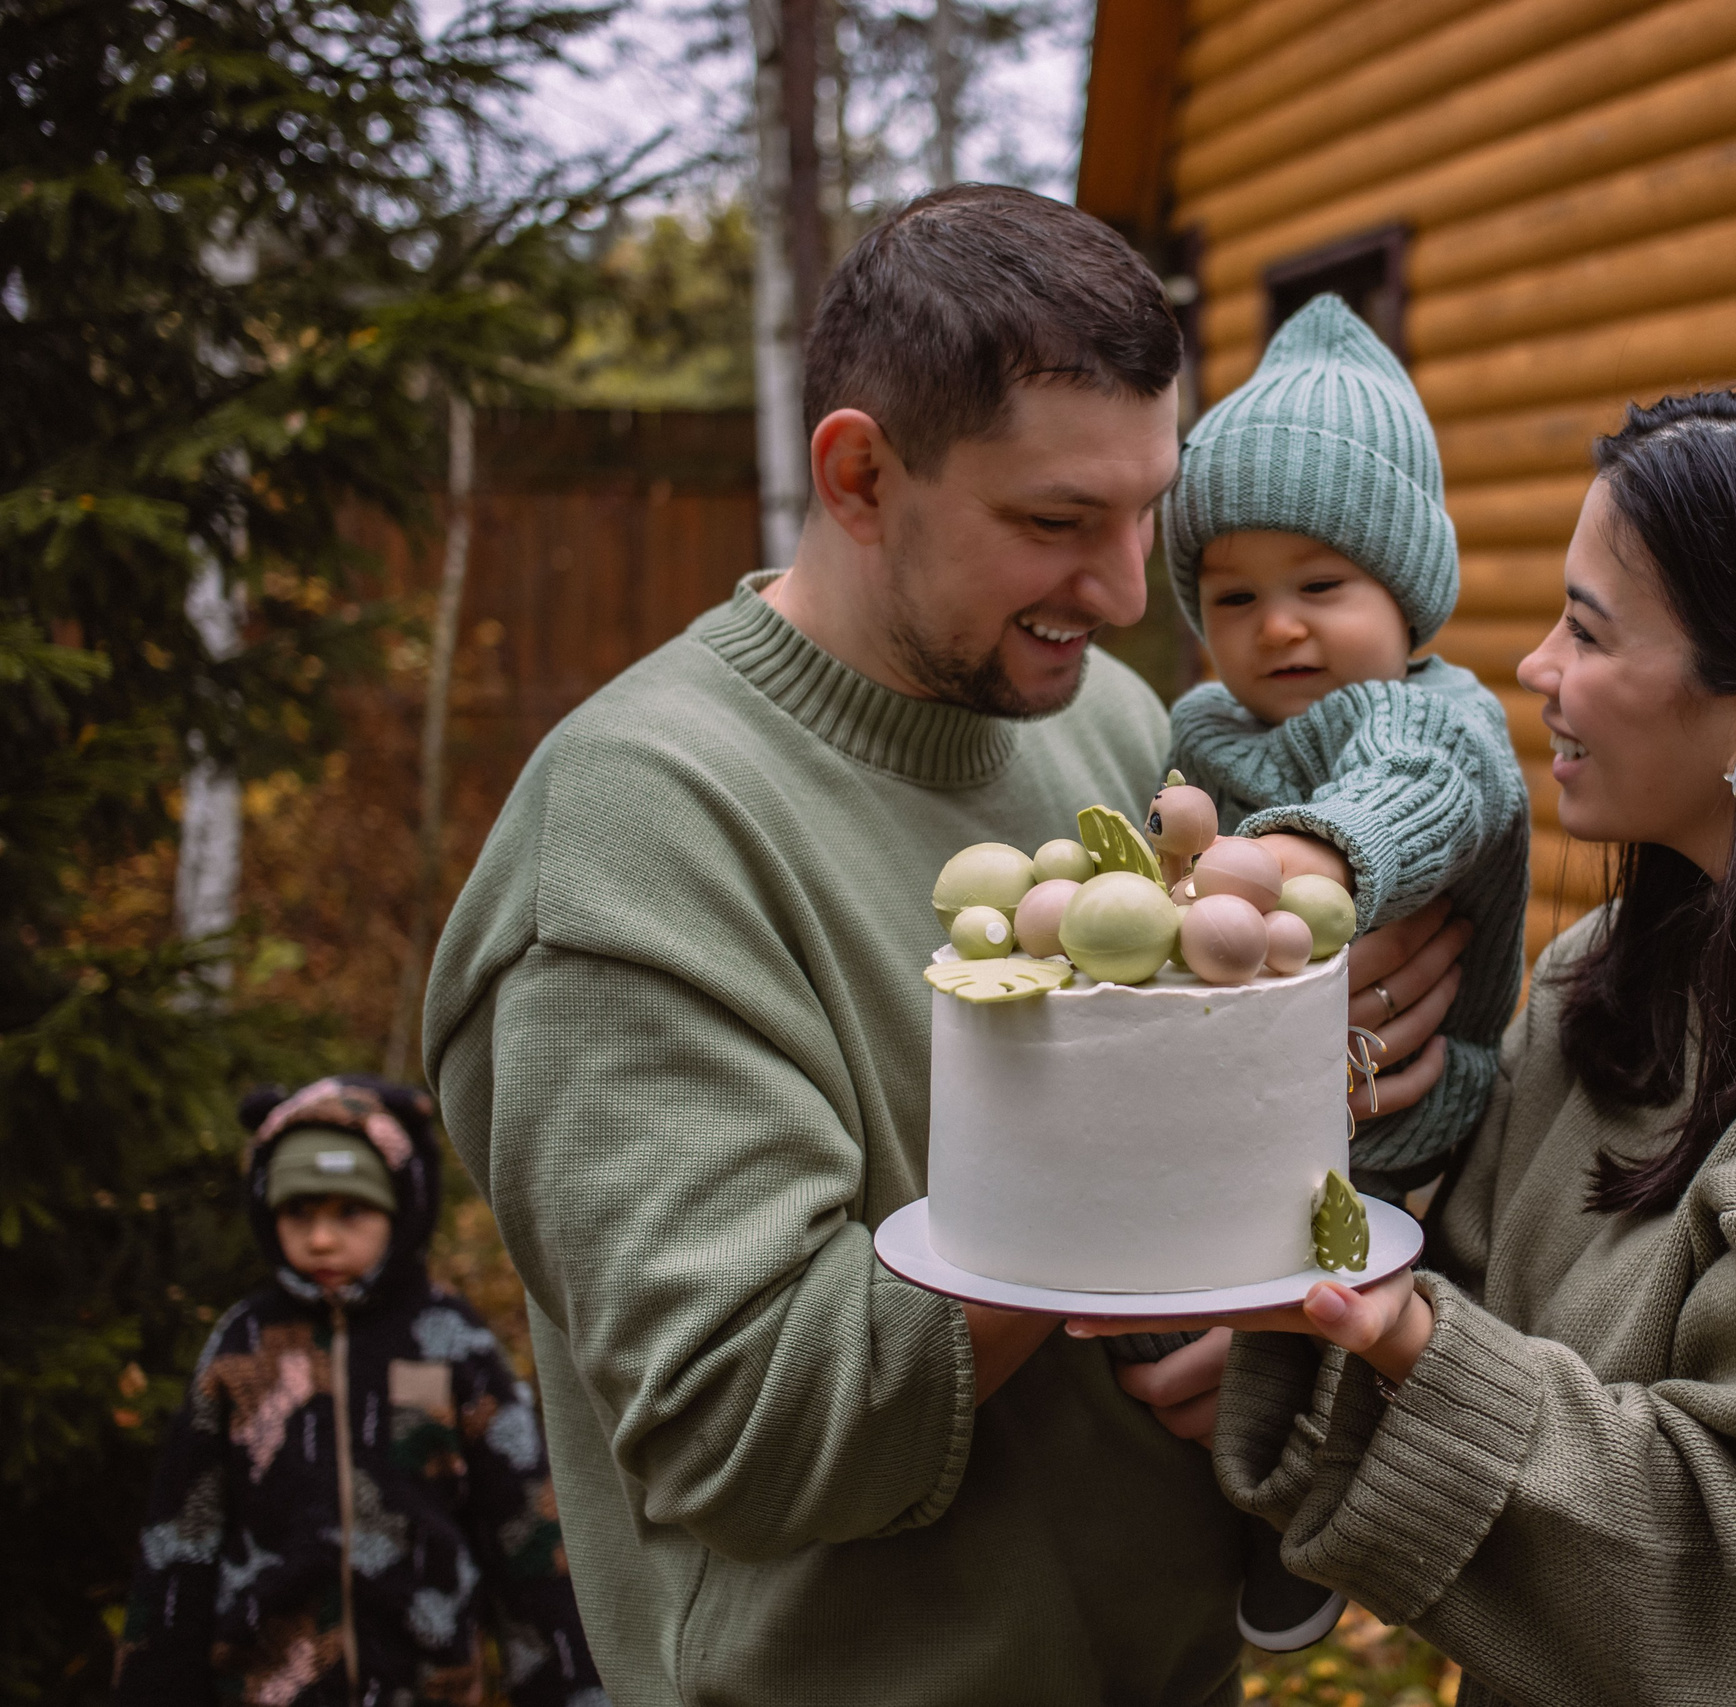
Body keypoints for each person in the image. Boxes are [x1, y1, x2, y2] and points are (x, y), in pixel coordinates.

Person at [422, 184, 1469, 1706]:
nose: (1124, 594)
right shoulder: (635, 831)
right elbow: (742, 1420)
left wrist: (1303, 1133)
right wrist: (1128, 1166)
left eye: (1146, 514)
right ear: (858, 475)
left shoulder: (1111, 723)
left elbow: (1194, 1227)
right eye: (1054, 522)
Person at [1089, 389, 1736, 1707]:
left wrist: (1394, 1339)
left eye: (1587, 630)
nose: (1533, 667)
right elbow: (1468, 1307)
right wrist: (1304, 1251)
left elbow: (1729, 1580)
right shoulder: (1609, 963)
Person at [1107, 290, 1528, 1653]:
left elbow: (1418, 792)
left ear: (1409, 596)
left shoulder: (1438, 713)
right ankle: (1208, 1503)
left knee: (1327, 1303)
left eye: (1322, 585)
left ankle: (1311, 1520)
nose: (1278, 625)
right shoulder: (1196, 726)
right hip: (1226, 1096)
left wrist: (1313, 864)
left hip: (1406, 1113)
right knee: (1155, 1301)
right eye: (1235, 594)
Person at [113, 1075, 603, 1707]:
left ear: (400, 1206)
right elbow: (181, 1538)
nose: (321, 1238)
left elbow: (525, 1535)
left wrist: (573, 1688)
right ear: (267, 1210)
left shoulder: (451, 1341)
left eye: (349, 1212)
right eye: (299, 1212)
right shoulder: (241, 1345)